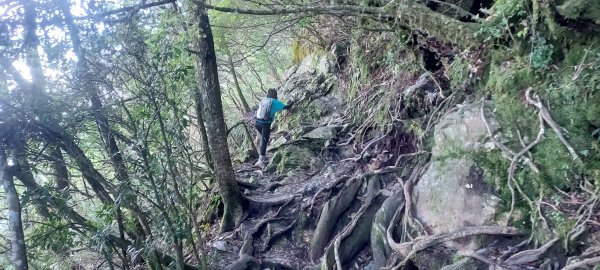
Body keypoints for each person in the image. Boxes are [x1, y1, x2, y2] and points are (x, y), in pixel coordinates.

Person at [254, 88, 294, 167]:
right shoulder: (274, 101)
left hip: (257, 123)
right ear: (275, 95)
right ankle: (260, 161)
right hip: (265, 124)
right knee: (264, 141)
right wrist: (293, 102)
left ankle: (262, 155)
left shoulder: (263, 100)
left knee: (264, 139)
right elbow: (286, 107)